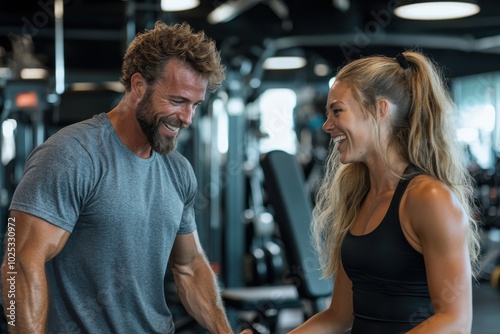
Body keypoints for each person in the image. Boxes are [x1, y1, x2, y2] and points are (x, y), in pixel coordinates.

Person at [1, 21, 251, 334]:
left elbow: (189, 267)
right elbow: (19, 264)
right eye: (177, 101)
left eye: (195, 105)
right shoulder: (73, 155)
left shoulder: (177, 170)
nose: (187, 118)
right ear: (138, 85)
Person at [289, 50, 481, 333]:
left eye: (337, 111)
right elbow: (339, 316)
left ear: (380, 109)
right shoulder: (357, 196)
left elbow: (455, 321)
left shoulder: (429, 198)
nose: (328, 125)